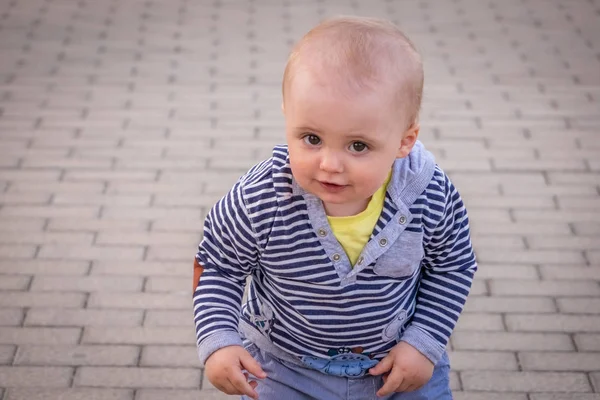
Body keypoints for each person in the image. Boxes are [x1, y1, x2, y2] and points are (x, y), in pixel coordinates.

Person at [192, 16, 477, 400]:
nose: (329, 164)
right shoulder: (262, 197)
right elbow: (218, 265)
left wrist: (424, 341)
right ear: (286, 117)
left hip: (397, 367)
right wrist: (220, 340)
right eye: (311, 138)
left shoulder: (427, 194)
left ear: (404, 141)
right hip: (283, 369)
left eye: (357, 146)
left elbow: (452, 266)